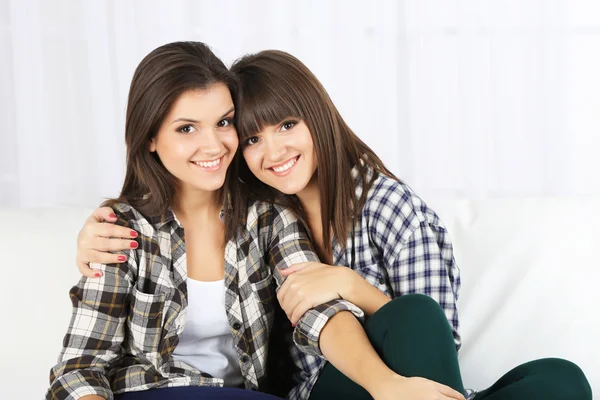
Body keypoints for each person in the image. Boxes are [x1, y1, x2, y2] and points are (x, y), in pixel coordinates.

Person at [75, 49, 592, 399]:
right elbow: (80, 363)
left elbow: (428, 343)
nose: (270, 150)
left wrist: (354, 289)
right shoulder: (257, 208)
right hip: (306, 391)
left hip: (397, 382)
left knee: (554, 376)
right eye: (251, 137)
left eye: (286, 125)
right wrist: (95, 233)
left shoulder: (377, 212)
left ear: (316, 118)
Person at [49, 42, 449, 400]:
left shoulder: (268, 217)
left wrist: (386, 386)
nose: (213, 144)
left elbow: (319, 312)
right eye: (187, 128)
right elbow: (78, 369)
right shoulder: (120, 231)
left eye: (223, 123)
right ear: (150, 138)